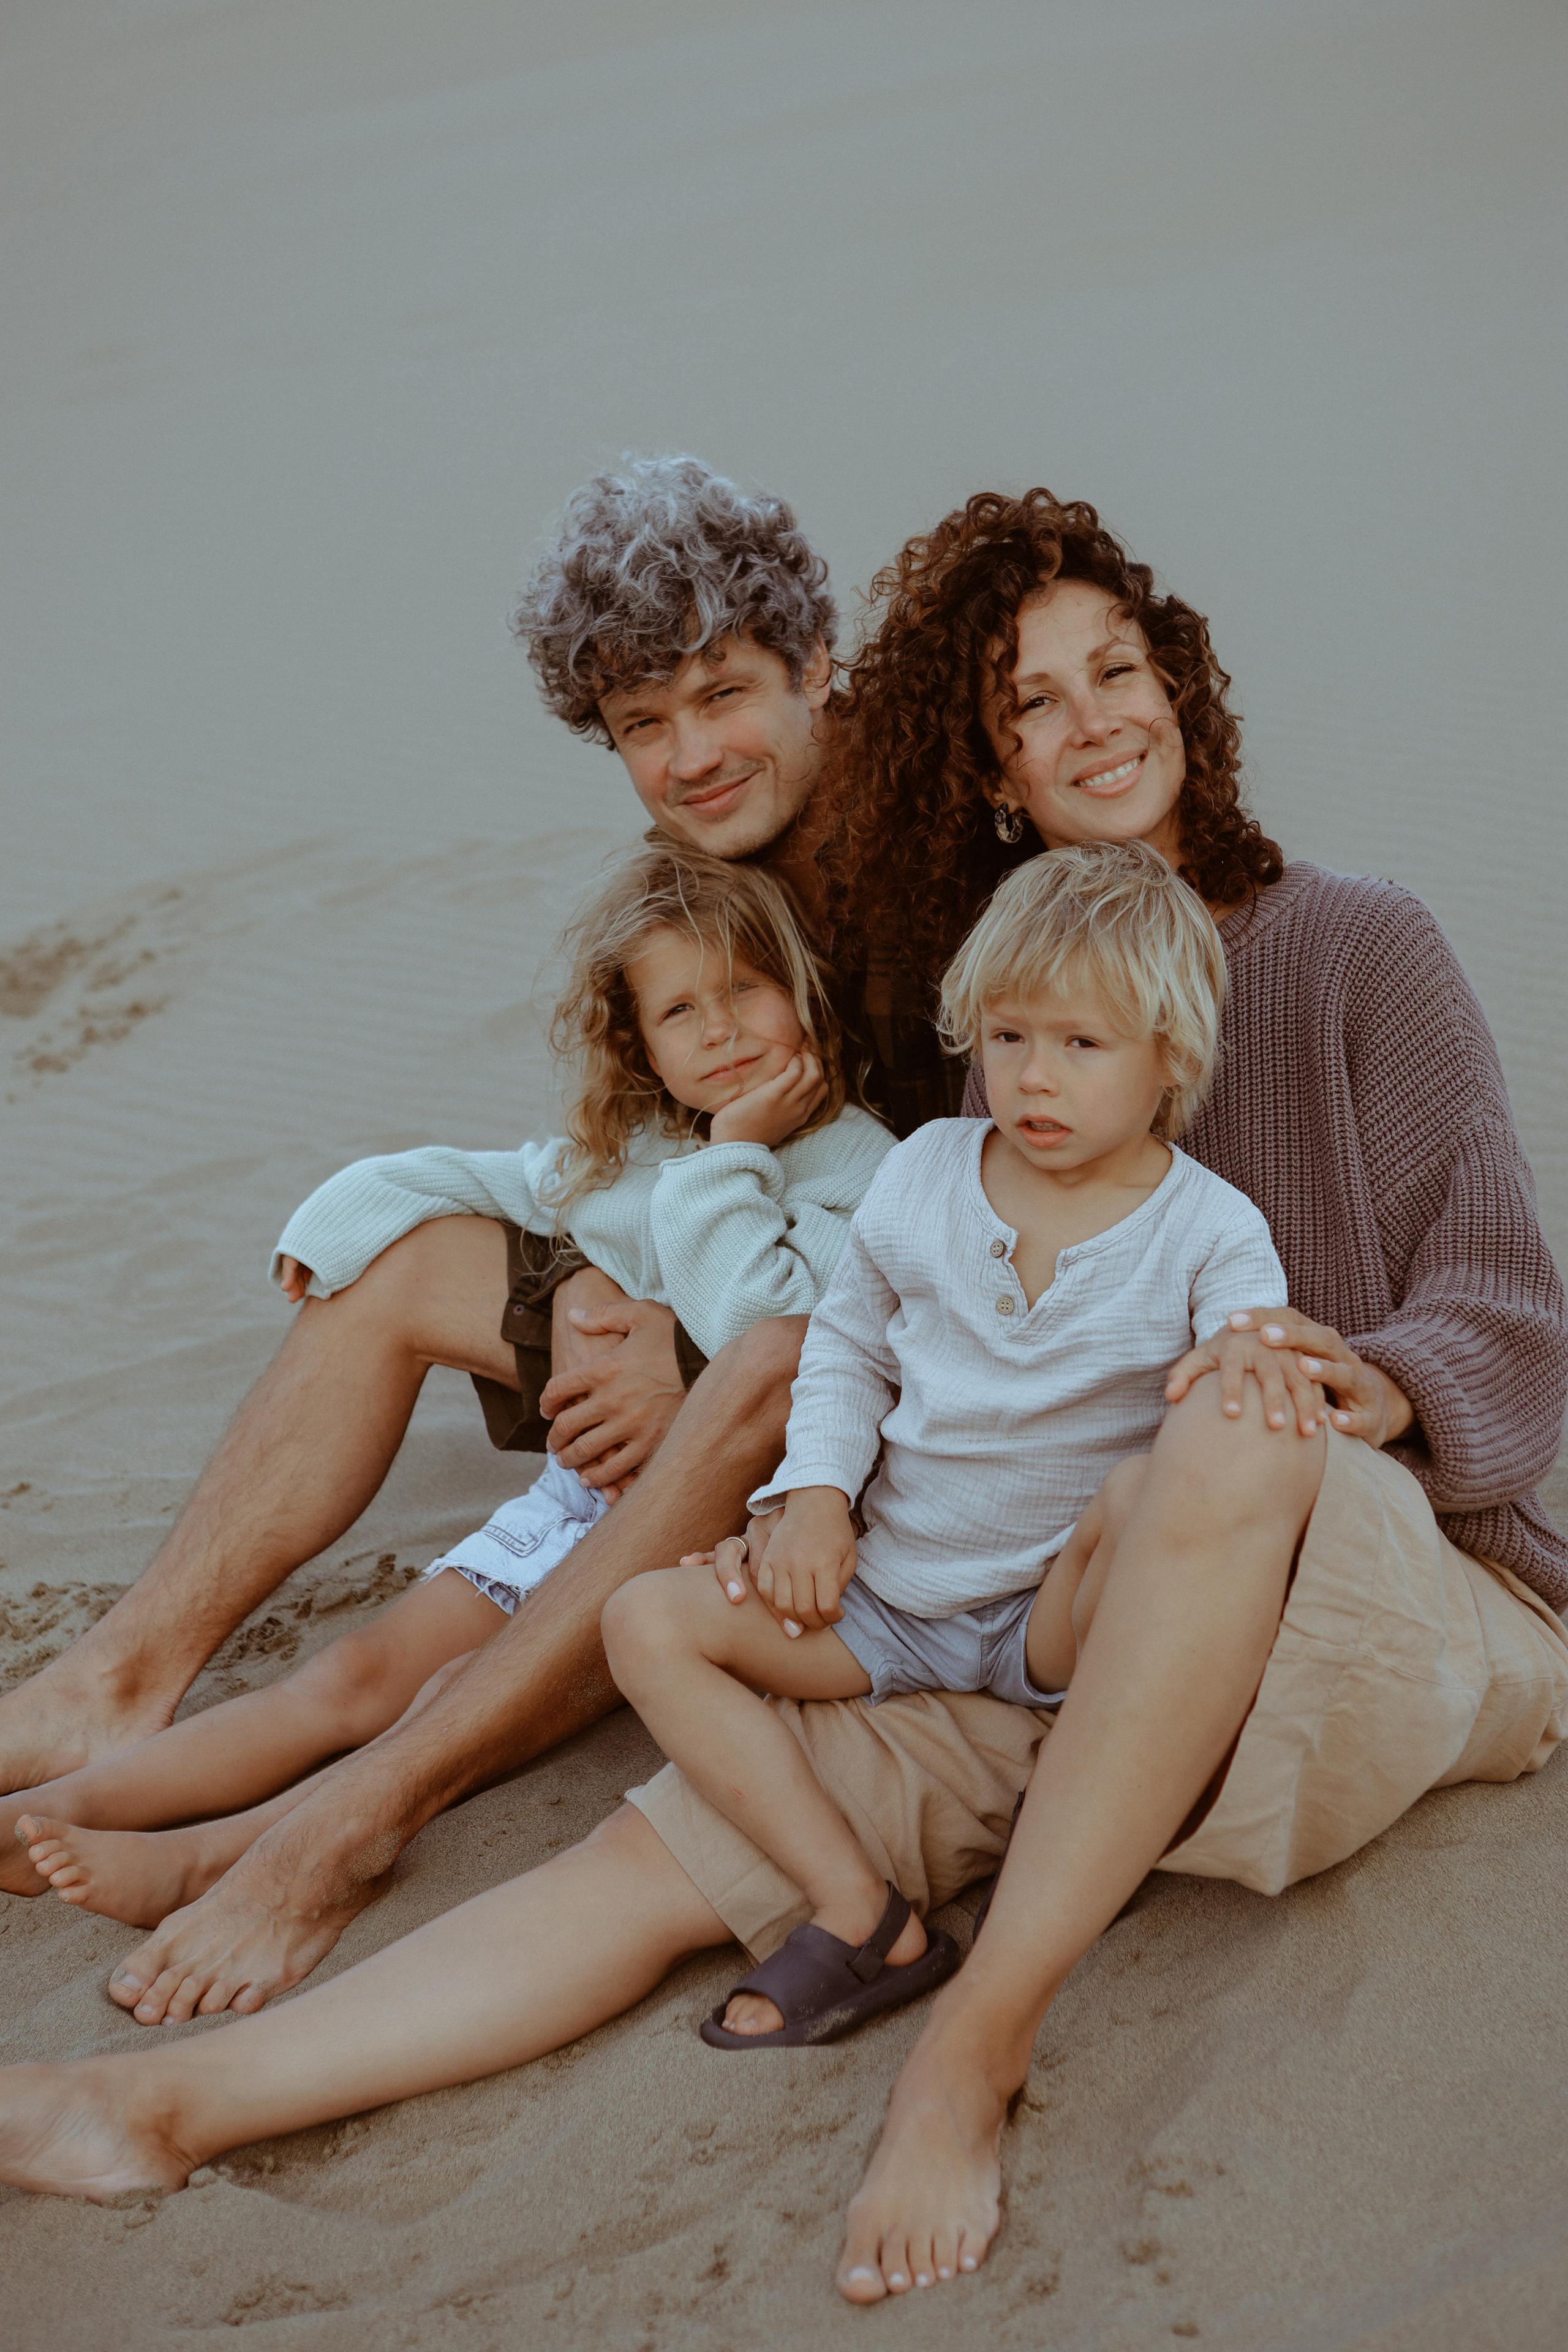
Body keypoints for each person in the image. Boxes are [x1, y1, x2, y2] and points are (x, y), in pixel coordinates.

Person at [4, 489, 1560, 2312]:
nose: (1089, 725)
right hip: (1039, 1619)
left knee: (1223, 1411)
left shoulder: (1358, 940)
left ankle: (971, 2043)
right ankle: (148, 2104)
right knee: (649, 1857)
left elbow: (1507, 1305)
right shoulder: (992, 1018)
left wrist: (1367, 1376)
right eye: (1032, 704)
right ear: (990, 766)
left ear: (1183, 692)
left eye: (1119, 674)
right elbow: (876, 1273)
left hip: (1341, 1583)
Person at [0, 455, 930, 2025]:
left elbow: (951, 1241)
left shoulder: (918, 880)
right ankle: (116, 1685)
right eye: (642, 724)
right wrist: (583, 1289)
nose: (692, 756)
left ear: (815, 664)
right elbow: (602, 1167)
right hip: (711, 1295)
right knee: (407, 1255)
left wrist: (686, 1353)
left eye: (723, 695)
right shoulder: (707, 883)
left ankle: (352, 1822)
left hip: (849, 1397)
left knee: (759, 1364)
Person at [4, 843, 893, 1934]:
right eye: (680, 1012)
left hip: (702, 1530)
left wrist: (733, 1157)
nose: (721, 1031)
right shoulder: (643, 1147)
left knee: (439, 1698)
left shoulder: (857, 1165)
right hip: (573, 1505)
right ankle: (60, 1805)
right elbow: (494, 1180)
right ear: (642, 1048)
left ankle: (219, 1855)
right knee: (352, 1673)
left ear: (803, 993)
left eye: (746, 991)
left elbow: (763, 1325)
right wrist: (343, 1216)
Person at [601, 842, 1291, 2047]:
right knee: (642, 1622)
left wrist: (1249, 1355)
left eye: (1082, 1045)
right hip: (888, 1604)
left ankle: (1097, 1815)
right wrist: (815, 1496)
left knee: (1148, 1487)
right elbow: (845, 1349)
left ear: (1170, 1057)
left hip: (1055, 1620)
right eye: (1009, 1036)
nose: (1034, 1077)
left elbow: (1244, 1359)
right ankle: (857, 1909)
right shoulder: (924, 1170)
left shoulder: (1210, 1229)